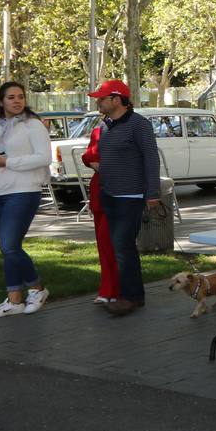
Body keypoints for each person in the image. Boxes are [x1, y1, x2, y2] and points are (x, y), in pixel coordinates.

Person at [88, 79, 162, 317]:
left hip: (130, 196)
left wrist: (152, 193)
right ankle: (134, 295)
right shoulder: (107, 124)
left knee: (123, 247)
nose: (98, 102)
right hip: (109, 195)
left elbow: (151, 159)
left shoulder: (138, 125)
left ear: (117, 100)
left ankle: (129, 297)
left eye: (102, 98)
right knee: (122, 247)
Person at [0, 81, 52, 318]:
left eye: (20, 96)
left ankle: (37, 288)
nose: (16, 101)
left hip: (23, 190)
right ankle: (14, 300)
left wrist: (7, 162)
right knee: (8, 249)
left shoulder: (33, 125)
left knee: (10, 246)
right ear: (1, 101)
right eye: (10, 97)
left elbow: (44, 158)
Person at [80, 122, 119, 304]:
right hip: (99, 191)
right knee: (102, 245)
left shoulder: (129, 129)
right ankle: (107, 289)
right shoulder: (98, 130)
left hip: (118, 193)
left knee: (108, 242)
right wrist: (93, 162)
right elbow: (88, 155)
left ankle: (117, 289)